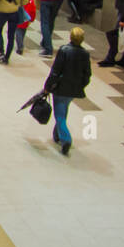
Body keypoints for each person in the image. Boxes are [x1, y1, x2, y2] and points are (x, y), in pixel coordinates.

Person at [42, 26, 92, 156]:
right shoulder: (85, 54)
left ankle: (66, 139)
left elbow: (55, 71)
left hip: (60, 88)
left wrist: (47, 86)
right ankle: (57, 134)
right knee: (63, 110)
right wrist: (81, 85)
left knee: (59, 115)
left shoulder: (64, 50)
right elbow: (87, 75)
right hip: (73, 90)